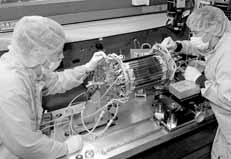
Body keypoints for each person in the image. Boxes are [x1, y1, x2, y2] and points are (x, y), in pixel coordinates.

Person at [0, 16, 106, 159]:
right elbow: (25, 144)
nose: (61, 56)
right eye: (56, 52)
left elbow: (57, 81)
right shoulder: (10, 83)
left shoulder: (29, 68)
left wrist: (88, 67)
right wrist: (65, 148)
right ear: (37, 52)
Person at [161, 6, 231, 159]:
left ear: (213, 30)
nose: (193, 37)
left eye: (196, 33)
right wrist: (177, 45)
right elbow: (202, 48)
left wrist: (199, 80)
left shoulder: (228, 53)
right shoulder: (219, 38)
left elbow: (228, 98)